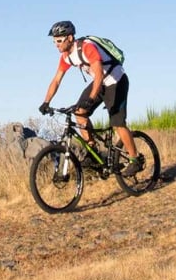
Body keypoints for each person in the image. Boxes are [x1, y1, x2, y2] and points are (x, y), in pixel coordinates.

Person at [38, 20, 143, 176]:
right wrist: (46, 102)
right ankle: (93, 150)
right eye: (54, 41)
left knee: (117, 123)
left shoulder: (87, 47)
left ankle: (135, 159)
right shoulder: (66, 57)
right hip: (100, 82)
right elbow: (56, 80)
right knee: (79, 113)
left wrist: (91, 98)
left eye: (59, 40)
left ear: (70, 38)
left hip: (116, 80)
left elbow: (99, 73)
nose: (56, 44)